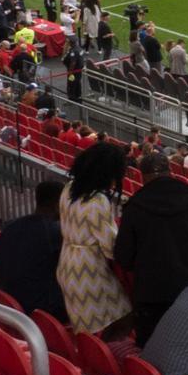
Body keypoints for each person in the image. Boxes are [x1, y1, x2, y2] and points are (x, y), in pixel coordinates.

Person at [116, 150, 188, 346]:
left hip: (150, 292)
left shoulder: (134, 208)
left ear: (142, 176)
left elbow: (123, 256)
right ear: (171, 172)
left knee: (152, 348)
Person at [57, 142, 132, 336]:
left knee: (87, 329)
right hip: (89, 269)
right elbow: (110, 246)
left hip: (67, 262)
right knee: (122, 316)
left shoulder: (69, 188)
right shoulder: (98, 200)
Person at [0, 179, 69, 322]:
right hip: (40, 310)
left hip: (9, 302)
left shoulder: (11, 225)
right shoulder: (56, 232)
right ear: (57, 204)